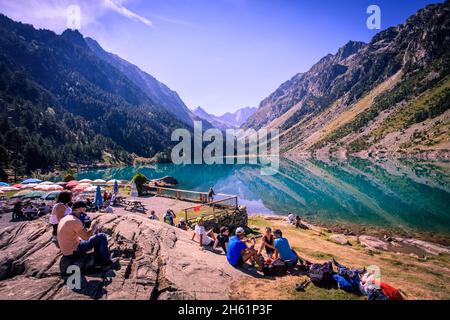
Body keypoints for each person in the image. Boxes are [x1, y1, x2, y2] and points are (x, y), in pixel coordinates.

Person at [57, 201, 118, 271]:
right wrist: (92, 226)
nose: (85, 211)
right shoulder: (75, 221)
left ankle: (98, 259)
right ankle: (105, 263)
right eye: (84, 209)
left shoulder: (66, 218)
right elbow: (86, 237)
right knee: (102, 236)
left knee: (95, 238)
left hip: (66, 250)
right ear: (80, 209)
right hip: (74, 251)